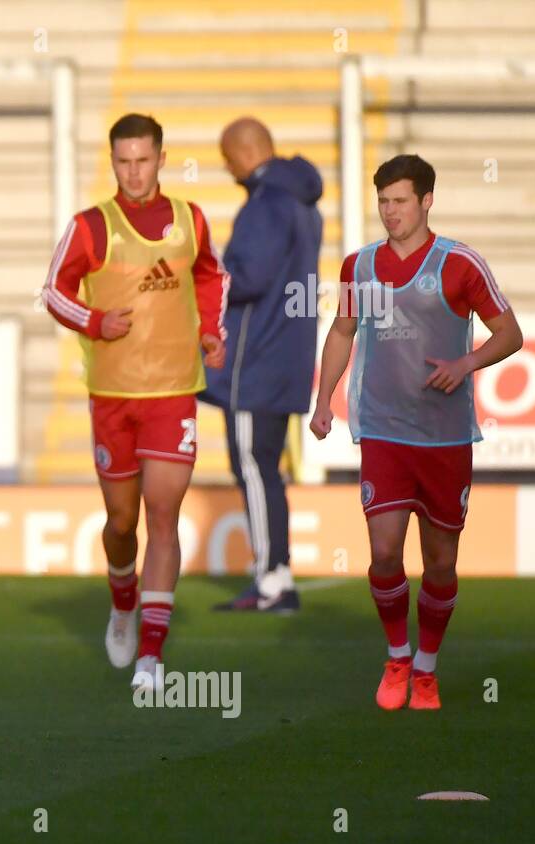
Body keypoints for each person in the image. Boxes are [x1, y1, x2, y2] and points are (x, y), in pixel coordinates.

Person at [310, 154, 521, 710]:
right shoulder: (359, 265)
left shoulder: (459, 264)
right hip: (382, 430)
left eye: (401, 200)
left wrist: (466, 364)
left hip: (445, 437)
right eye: (383, 201)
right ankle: (397, 655)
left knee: (442, 560)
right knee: (383, 552)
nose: (390, 211)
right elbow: (342, 330)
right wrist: (323, 401)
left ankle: (426, 667)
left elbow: (510, 333)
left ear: (427, 201)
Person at [43, 113, 227, 691]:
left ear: (161, 158)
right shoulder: (91, 226)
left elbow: (210, 276)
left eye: (143, 160)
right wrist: (95, 321)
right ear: (113, 161)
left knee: (163, 513)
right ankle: (123, 601)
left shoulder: (189, 219)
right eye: (123, 161)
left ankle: (152, 652)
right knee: (122, 521)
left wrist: (210, 330)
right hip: (113, 396)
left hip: (173, 391)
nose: (134, 171)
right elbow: (52, 291)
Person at [202, 117, 322, 613]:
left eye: (228, 155)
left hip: (257, 364)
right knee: (264, 468)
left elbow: (247, 278)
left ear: (246, 150)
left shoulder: (266, 203)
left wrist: (207, 269)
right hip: (285, 358)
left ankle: (272, 579)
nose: (226, 165)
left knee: (253, 467)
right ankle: (278, 574)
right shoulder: (300, 202)